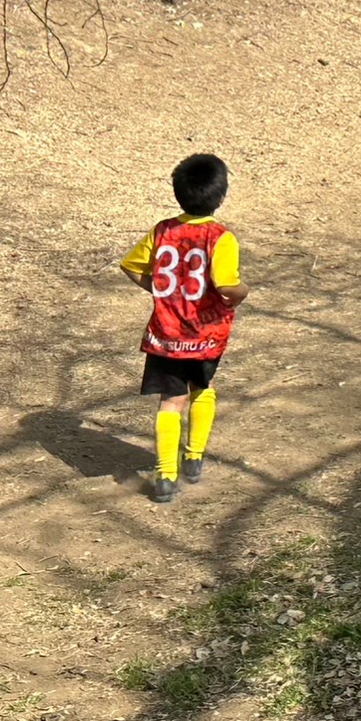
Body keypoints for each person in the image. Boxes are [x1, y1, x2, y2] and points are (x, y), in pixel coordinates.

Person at [119, 153, 248, 505]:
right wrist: (241, 293)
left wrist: (161, 290)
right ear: (220, 195)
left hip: (165, 334)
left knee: (170, 401)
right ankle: (193, 457)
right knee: (202, 390)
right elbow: (225, 284)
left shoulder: (163, 230)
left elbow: (130, 265)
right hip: (205, 336)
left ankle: (164, 477)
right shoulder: (221, 238)